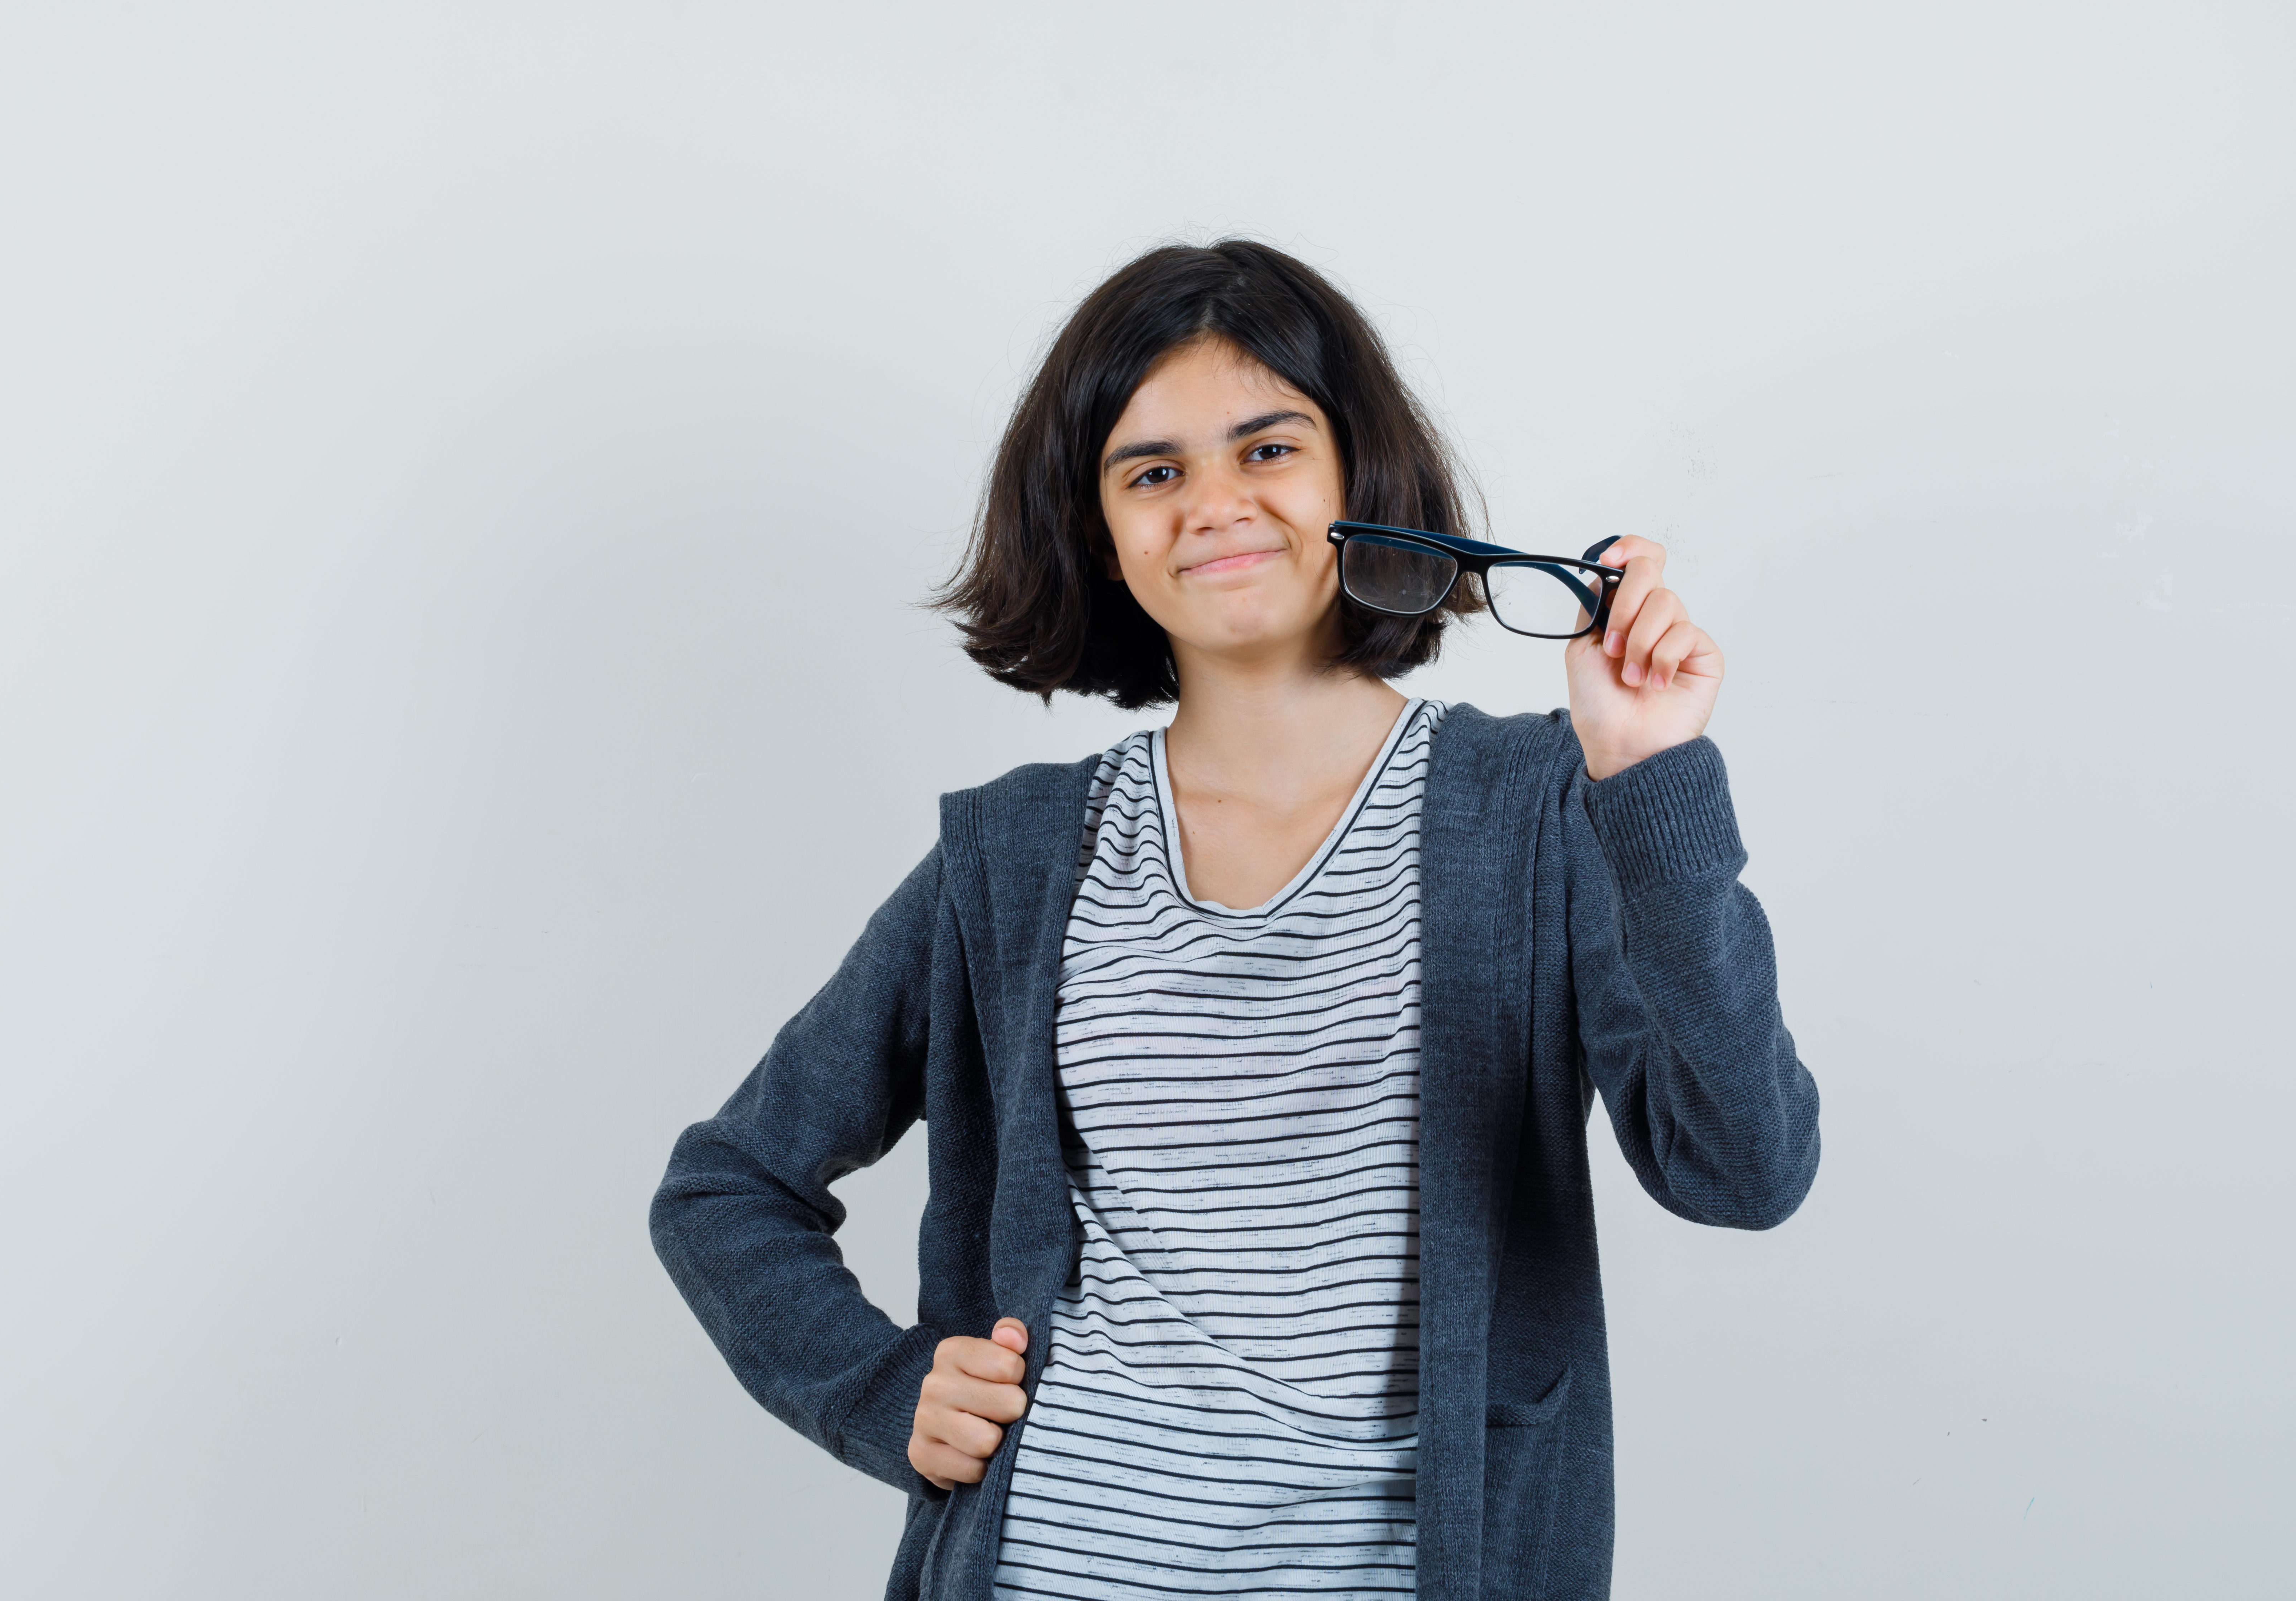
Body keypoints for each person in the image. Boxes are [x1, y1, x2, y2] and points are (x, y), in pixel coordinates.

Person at [650, 240, 1820, 1601]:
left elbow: (1743, 1169)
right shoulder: (1016, 857)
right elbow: (726, 1185)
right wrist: (878, 1389)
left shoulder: (1540, 808)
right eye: (1153, 473)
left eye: (1269, 450)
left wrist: (1650, 777)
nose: (1215, 504)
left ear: (1360, 480)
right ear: (1098, 534)